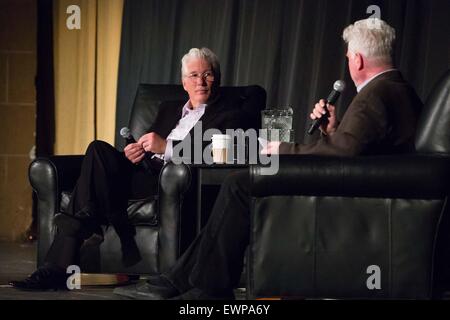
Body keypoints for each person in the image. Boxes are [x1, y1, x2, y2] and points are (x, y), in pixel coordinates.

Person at [113, 18, 423, 300]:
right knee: (239, 182)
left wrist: (282, 150)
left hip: (350, 188)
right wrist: (332, 127)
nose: (201, 81)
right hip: (360, 180)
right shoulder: (396, 89)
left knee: (239, 182)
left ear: (356, 60)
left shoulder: (374, 95)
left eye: (347, 57)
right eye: (193, 76)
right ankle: (195, 279)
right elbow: (353, 145)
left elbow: (345, 152)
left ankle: (205, 284)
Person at [10, 47, 260, 290]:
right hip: (141, 171)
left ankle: (56, 264)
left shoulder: (230, 114)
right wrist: (134, 152)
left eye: (207, 74)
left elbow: (216, 152)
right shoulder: (169, 109)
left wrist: (168, 147)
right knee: (98, 149)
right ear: (184, 82)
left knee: (96, 184)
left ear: (217, 78)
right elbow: (147, 148)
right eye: (194, 75)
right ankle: (100, 231)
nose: (201, 81)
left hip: (169, 182)